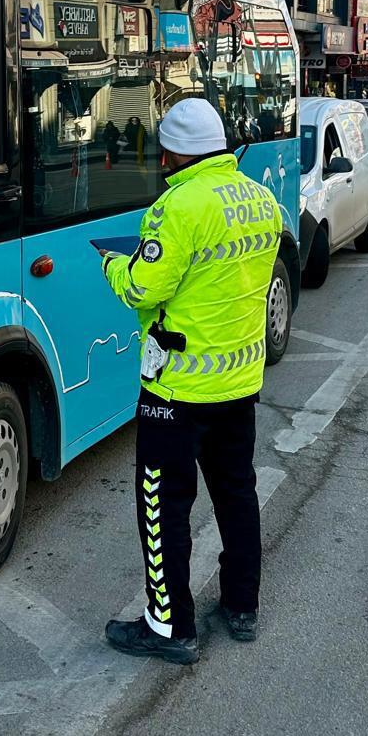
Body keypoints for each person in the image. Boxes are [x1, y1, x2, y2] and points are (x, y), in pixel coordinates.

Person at [96, 97, 281, 665]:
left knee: (163, 505)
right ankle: (242, 606)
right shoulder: (260, 198)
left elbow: (143, 289)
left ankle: (170, 627)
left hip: (176, 391)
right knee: (236, 493)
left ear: (174, 152)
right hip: (239, 382)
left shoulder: (176, 208)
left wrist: (112, 264)